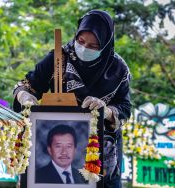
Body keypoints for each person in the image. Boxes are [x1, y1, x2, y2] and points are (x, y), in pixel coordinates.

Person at [13, 10, 131, 188]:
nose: (83, 48)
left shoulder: (118, 69)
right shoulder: (59, 58)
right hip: (60, 140)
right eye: (80, 41)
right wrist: (25, 96)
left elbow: (125, 107)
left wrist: (106, 111)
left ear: (105, 46)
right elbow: (27, 85)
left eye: (93, 46)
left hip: (102, 152)